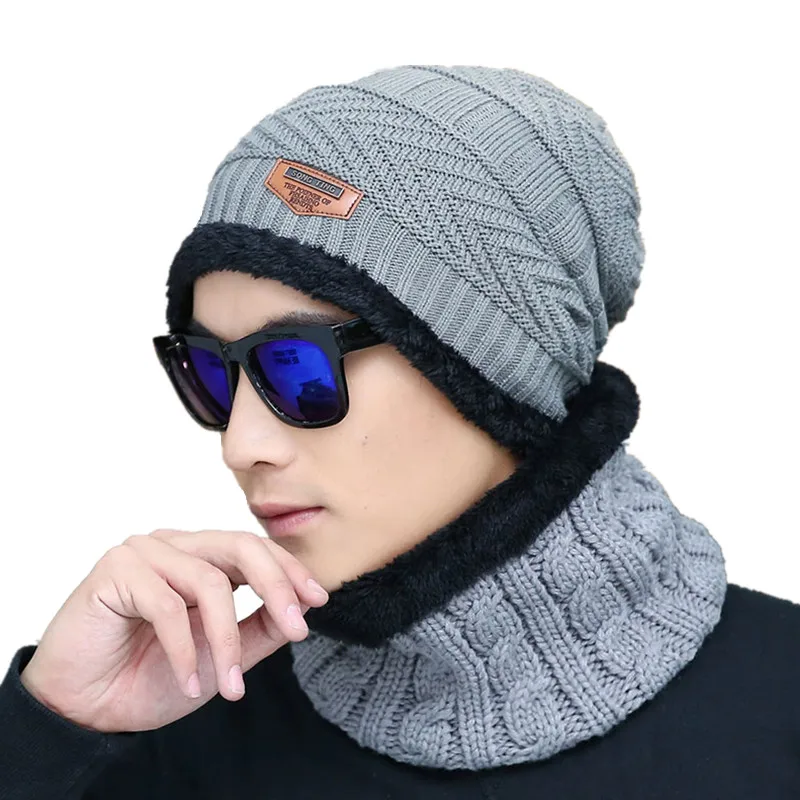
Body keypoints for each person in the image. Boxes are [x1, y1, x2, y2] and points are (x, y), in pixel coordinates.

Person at [1, 64, 798, 800]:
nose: (240, 446)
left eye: (297, 366)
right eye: (212, 372)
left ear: (489, 371)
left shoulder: (779, 713)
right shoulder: (169, 720)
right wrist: (49, 728)